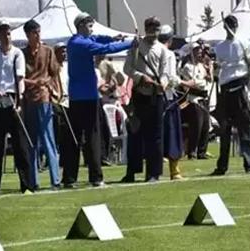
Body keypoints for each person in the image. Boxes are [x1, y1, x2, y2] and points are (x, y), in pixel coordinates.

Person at [64, 13, 132, 188]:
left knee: (79, 137)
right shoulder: (79, 44)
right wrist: (130, 44)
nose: (92, 29)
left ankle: (71, 178)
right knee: (89, 137)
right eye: (89, 26)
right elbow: (105, 48)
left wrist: (113, 37)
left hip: (80, 97)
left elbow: (99, 38)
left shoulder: (78, 41)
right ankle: (94, 177)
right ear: (80, 25)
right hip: (85, 97)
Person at [0, 20, 33, 195]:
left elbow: (20, 80)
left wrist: (19, 103)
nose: (6, 36)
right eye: (3, 33)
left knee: (20, 147)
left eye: (8, 32)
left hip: (13, 102)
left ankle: (26, 185)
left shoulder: (17, 53)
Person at [123, 17, 167, 183]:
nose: (153, 31)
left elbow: (165, 72)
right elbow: (127, 68)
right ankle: (132, 171)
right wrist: (141, 77)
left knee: (155, 136)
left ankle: (153, 173)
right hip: (139, 94)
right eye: (150, 28)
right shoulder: (136, 47)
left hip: (155, 96)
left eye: (156, 28)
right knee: (135, 133)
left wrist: (162, 83)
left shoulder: (162, 50)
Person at [211, 15, 250, 176]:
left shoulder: (244, 42)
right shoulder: (219, 47)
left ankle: (249, 165)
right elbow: (217, 70)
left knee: (245, 128)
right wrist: (215, 70)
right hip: (225, 88)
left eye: (234, 25)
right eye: (229, 25)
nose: (232, 28)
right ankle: (222, 166)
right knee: (224, 129)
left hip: (240, 86)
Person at [21, 19, 61, 190]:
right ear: (27, 35)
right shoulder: (21, 54)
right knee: (31, 141)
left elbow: (54, 72)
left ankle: (55, 180)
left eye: (38, 32)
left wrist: (50, 86)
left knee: (48, 138)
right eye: (34, 32)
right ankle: (32, 181)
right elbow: (19, 77)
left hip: (44, 98)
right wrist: (33, 82)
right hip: (28, 99)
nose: (37, 35)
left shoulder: (48, 51)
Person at [158, 25, 185, 180]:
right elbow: (171, 78)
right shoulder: (169, 54)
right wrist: (186, 83)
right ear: (170, 39)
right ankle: (174, 170)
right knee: (172, 133)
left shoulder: (151, 51)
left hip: (153, 96)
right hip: (167, 97)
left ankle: (154, 172)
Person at [179, 41, 213, 160]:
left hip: (204, 97)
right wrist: (201, 81)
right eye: (196, 51)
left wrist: (208, 71)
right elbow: (193, 83)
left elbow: (209, 79)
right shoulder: (188, 67)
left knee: (205, 126)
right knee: (196, 127)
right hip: (194, 98)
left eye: (199, 51)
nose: (199, 53)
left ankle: (202, 152)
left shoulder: (201, 65)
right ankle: (192, 151)